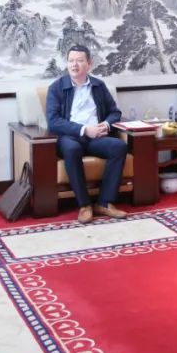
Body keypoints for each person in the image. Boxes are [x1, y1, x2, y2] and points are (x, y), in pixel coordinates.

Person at [46, 45, 129, 224]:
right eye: (71, 61)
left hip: (96, 137)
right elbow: (53, 121)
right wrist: (84, 130)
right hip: (69, 137)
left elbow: (115, 112)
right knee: (72, 149)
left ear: (89, 63)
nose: (74, 65)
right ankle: (84, 205)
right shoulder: (56, 88)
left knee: (119, 147)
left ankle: (104, 202)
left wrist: (105, 125)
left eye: (79, 60)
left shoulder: (98, 86)